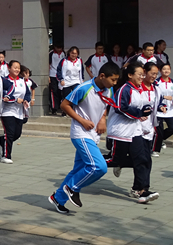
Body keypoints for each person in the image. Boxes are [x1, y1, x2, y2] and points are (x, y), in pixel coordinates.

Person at [48, 61, 120, 213]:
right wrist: (81, 120)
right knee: (98, 167)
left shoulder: (109, 90)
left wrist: (102, 120)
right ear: (102, 76)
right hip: (81, 133)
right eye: (113, 79)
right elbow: (64, 105)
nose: (114, 83)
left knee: (79, 169)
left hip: (94, 134)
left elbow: (104, 106)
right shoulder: (84, 88)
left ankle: (58, 198)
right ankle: (72, 187)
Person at [105, 62, 159, 204]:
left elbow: (143, 106)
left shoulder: (140, 89)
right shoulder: (125, 89)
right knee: (115, 160)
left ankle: (142, 191)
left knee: (143, 158)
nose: (142, 77)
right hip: (120, 131)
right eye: (139, 74)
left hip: (135, 131)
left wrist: (146, 110)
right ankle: (90, 161)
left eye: (143, 74)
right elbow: (120, 108)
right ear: (130, 75)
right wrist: (139, 113)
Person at [0, 60, 32, 163]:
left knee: (17, 134)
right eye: (15, 67)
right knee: (10, 133)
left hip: (19, 112)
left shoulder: (22, 81)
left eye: (18, 68)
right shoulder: (4, 81)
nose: (17, 69)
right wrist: (15, 99)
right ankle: (6, 156)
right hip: (7, 111)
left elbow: (27, 94)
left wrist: (26, 100)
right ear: (9, 68)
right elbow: (4, 95)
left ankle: (2, 141)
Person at [57, 46, 84, 115]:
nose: (74, 55)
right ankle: (64, 111)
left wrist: (82, 79)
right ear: (69, 53)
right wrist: (61, 79)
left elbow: (81, 71)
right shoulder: (64, 61)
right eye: (72, 53)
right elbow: (59, 70)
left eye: (75, 53)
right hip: (66, 81)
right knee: (66, 97)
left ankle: (75, 111)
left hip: (76, 81)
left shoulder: (79, 60)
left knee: (77, 95)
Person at [49, 43, 65, 115]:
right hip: (53, 74)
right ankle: (54, 108)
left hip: (61, 75)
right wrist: (48, 76)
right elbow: (48, 64)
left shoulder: (64, 53)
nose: (59, 50)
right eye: (57, 48)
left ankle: (62, 108)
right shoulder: (51, 53)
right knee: (54, 91)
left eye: (60, 48)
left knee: (62, 91)